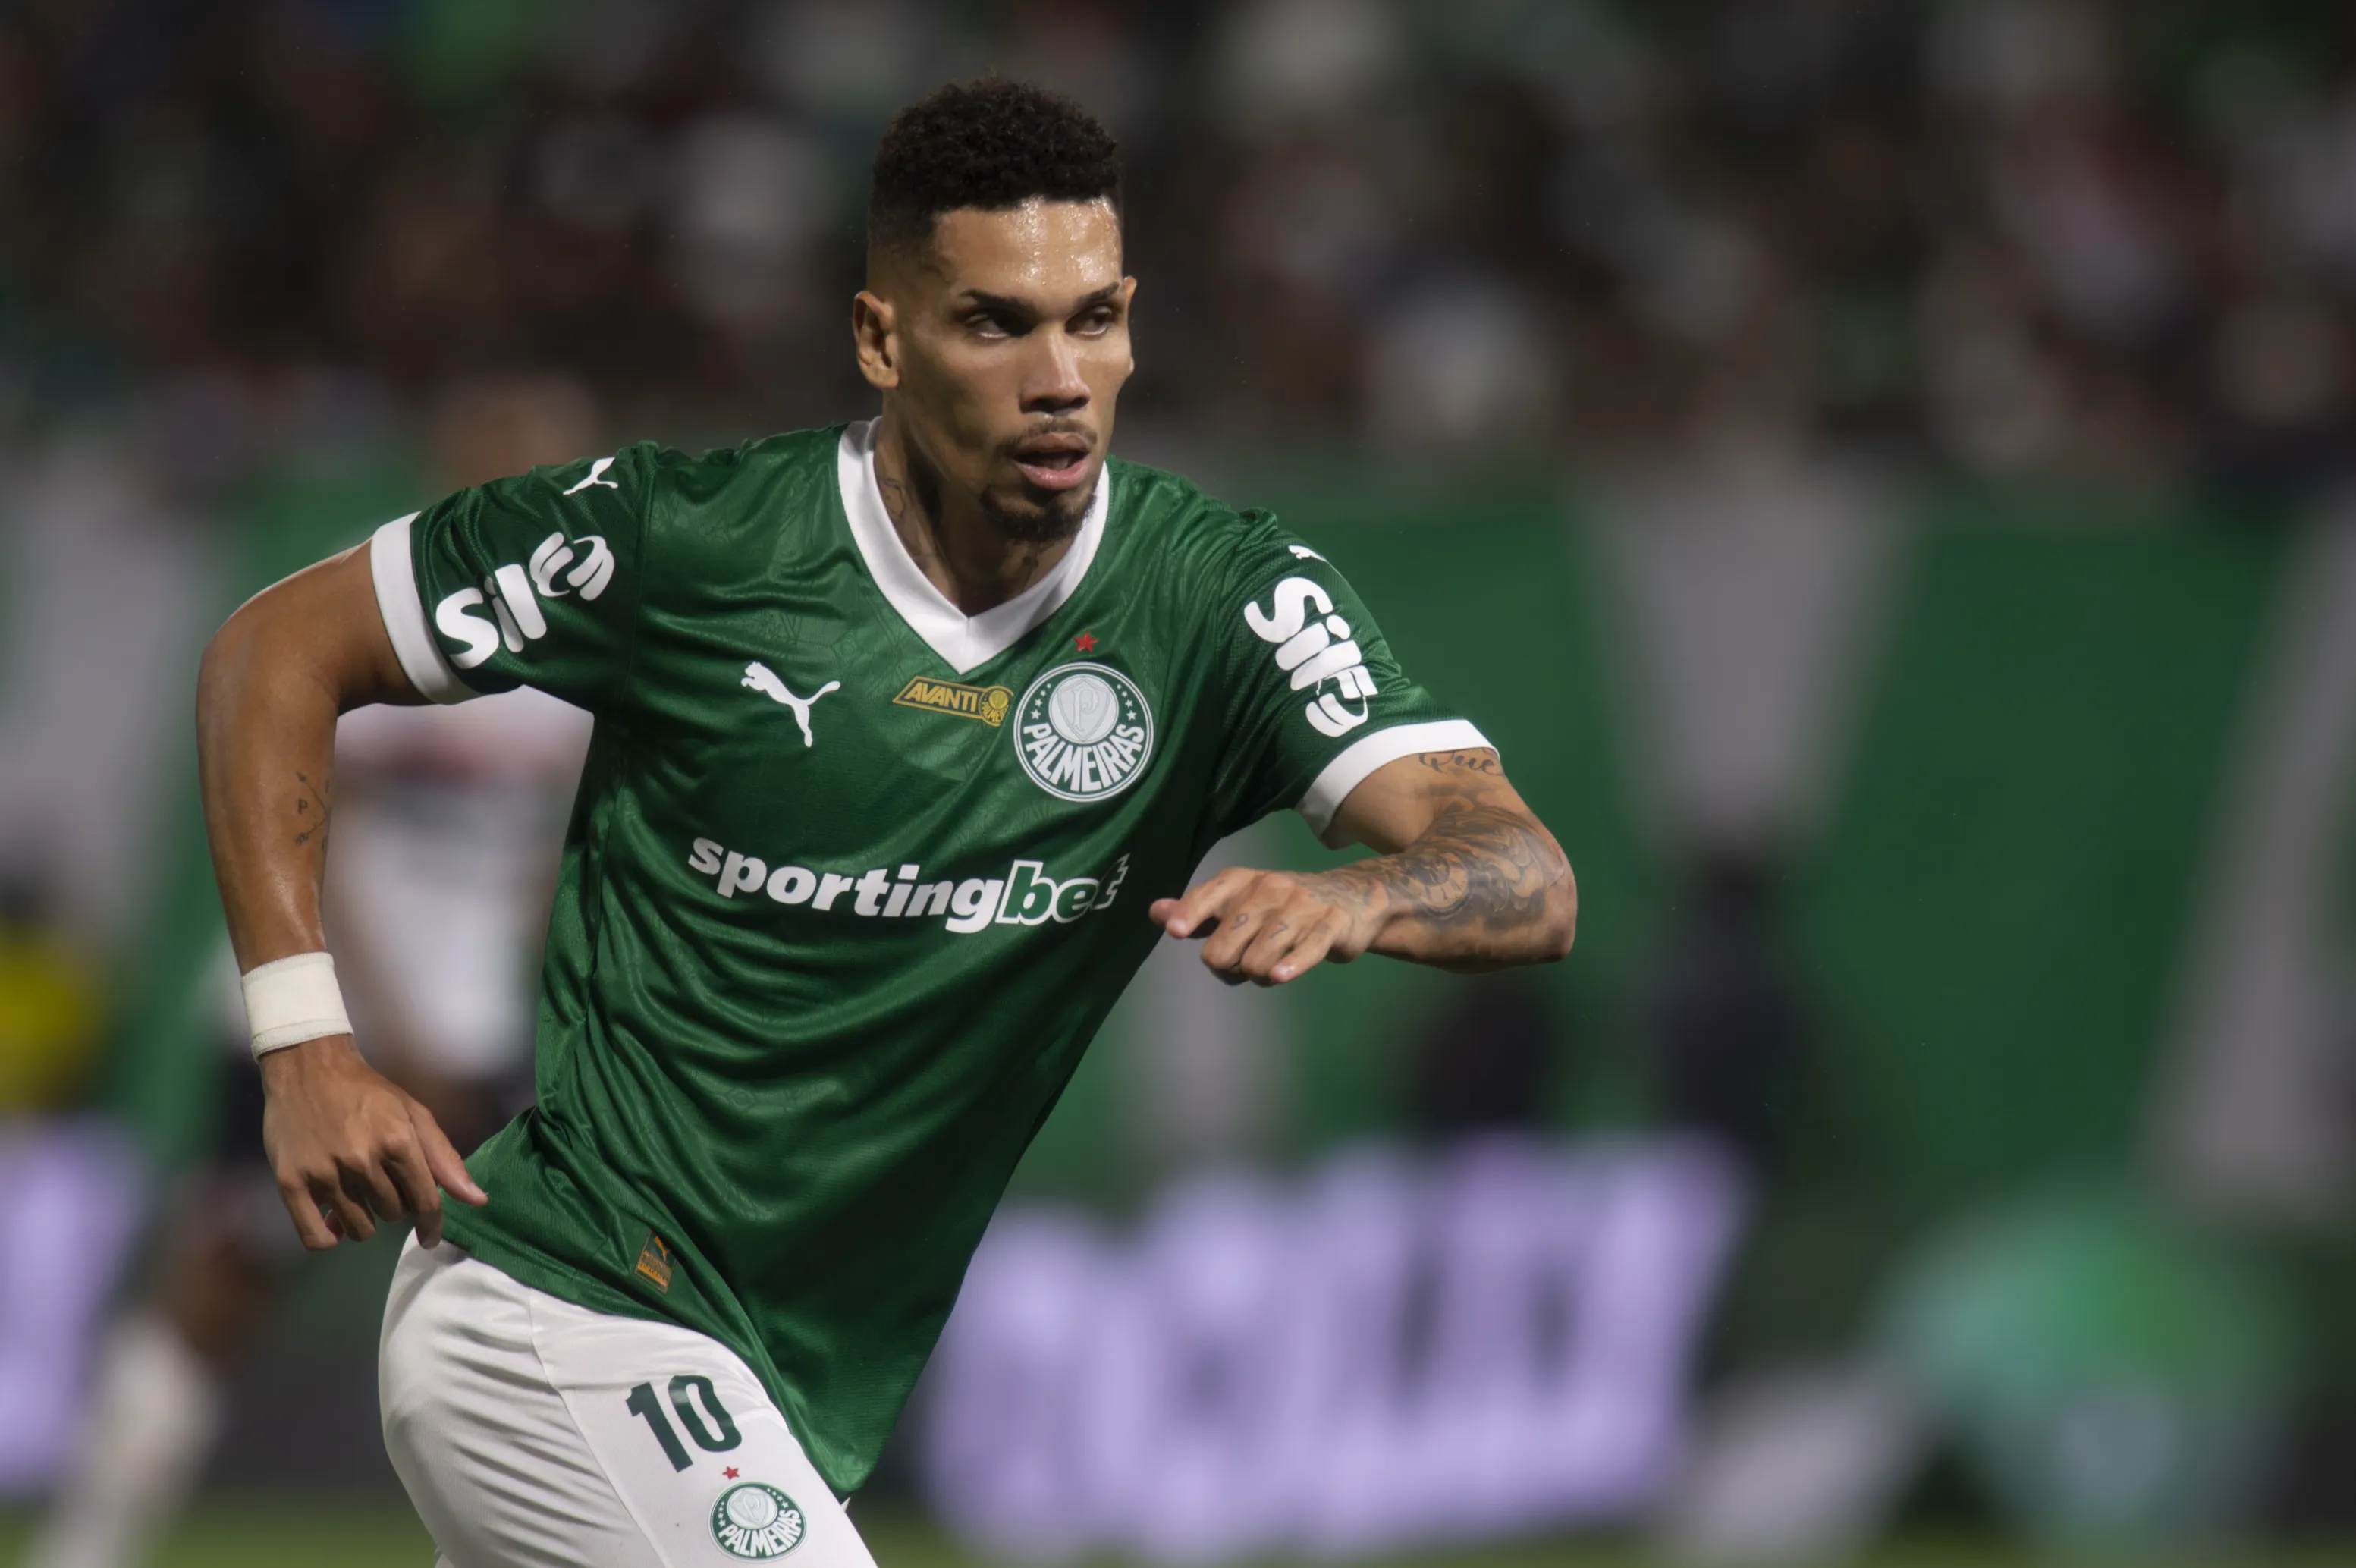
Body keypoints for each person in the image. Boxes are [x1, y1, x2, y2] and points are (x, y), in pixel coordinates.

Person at [195, 80, 1577, 1567]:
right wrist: (306, 1043)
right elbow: (276, 649)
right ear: (880, 338)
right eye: (994, 324)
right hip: (562, 1307)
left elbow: (1527, 872)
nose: (1059, 378)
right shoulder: (692, 544)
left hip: (780, 1383)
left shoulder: (1218, 604)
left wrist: (1362, 897)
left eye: (1093, 320)